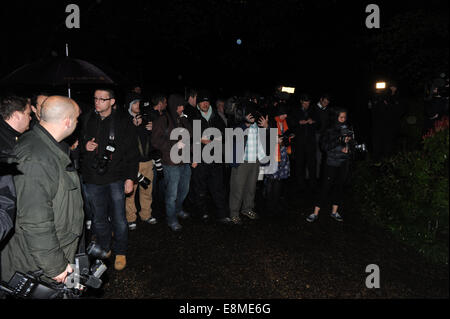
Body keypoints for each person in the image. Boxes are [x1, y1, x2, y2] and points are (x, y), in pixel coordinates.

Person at [1, 96, 84, 285]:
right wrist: (55, 266)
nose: (78, 123)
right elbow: (35, 220)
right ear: (68, 121)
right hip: (38, 265)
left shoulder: (46, 145)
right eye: (77, 119)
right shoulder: (35, 158)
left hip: (57, 251)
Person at [79, 88, 139, 271]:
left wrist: (130, 178)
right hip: (92, 177)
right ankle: (105, 247)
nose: (97, 102)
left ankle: (121, 251)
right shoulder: (87, 118)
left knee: (119, 218)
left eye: (102, 99)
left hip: (116, 177)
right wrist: (84, 145)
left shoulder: (123, 121)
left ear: (112, 101)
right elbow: (75, 143)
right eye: (95, 98)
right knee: (99, 218)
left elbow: (132, 153)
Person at [152, 94, 193, 231]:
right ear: (175, 106)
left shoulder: (182, 119)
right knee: (172, 193)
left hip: (185, 161)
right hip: (171, 163)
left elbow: (190, 138)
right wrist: (174, 145)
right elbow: (156, 141)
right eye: (180, 105)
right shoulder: (163, 120)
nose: (182, 108)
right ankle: (171, 219)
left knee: (185, 189)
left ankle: (178, 208)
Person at [190, 91, 231, 223]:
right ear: (198, 103)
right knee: (200, 188)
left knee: (218, 187)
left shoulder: (216, 117)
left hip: (216, 158)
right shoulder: (193, 116)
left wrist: (213, 140)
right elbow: (187, 136)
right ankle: (202, 213)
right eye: (202, 101)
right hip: (200, 159)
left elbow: (225, 134)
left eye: (207, 101)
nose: (205, 104)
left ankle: (222, 214)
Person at [306, 108, 352, 223]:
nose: (343, 119)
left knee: (339, 187)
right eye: (341, 117)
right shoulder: (329, 130)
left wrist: (349, 147)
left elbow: (351, 145)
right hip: (331, 163)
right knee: (325, 188)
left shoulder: (348, 129)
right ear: (335, 117)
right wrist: (339, 140)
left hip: (343, 163)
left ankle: (334, 212)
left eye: (344, 117)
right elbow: (324, 147)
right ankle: (315, 213)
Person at [229, 102, 270, 225]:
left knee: (251, 188)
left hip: (255, 160)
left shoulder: (258, 122)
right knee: (237, 188)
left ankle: (247, 209)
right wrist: (245, 124)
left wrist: (266, 127)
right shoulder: (237, 121)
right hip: (242, 160)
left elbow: (268, 137)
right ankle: (234, 213)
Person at [125, 92, 157, 230]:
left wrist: (151, 129)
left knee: (147, 190)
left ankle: (146, 215)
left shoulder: (145, 118)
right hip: (133, 162)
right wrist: (133, 126)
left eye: (139, 102)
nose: (138, 105)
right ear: (130, 105)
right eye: (135, 103)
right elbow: (124, 141)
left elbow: (150, 140)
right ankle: (131, 218)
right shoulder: (125, 120)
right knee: (131, 192)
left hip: (147, 161)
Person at [263, 103, 292, 216]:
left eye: (286, 114)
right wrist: (276, 140)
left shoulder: (285, 123)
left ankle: (275, 203)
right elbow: (265, 138)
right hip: (273, 155)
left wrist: (287, 139)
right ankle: (269, 205)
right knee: (271, 180)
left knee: (279, 180)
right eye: (283, 114)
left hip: (283, 155)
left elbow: (286, 138)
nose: (285, 116)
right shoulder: (271, 122)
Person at [288, 94, 318, 192]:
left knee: (312, 164)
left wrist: (313, 121)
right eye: (305, 103)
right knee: (299, 164)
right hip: (299, 142)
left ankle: (313, 184)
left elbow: (320, 124)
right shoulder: (295, 110)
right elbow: (290, 123)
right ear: (301, 102)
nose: (306, 105)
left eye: (308, 103)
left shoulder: (313, 110)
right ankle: (300, 185)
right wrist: (298, 122)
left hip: (310, 142)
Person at [314, 94, 332, 179]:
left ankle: (318, 176)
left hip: (323, 136)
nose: (325, 104)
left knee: (320, 157)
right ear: (321, 100)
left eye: (327, 103)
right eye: (324, 102)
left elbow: (328, 123)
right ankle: (309, 176)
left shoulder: (328, 110)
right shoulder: (313, 108)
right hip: (314, 135)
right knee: (313, 156)